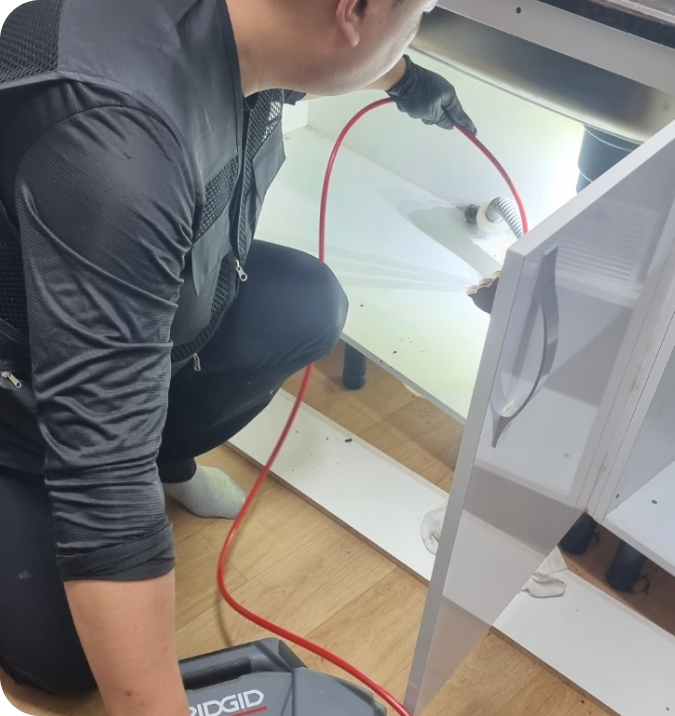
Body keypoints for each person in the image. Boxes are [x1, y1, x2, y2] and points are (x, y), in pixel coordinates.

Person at [0, 0, 475, 713]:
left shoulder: (245, 29)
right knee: (67, 657)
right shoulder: (117, 147)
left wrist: (402, 77)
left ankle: (162, 456)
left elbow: (316, 50)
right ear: (352, 10)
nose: (418, 27)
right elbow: (102, 480)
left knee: (307, 306)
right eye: (419, 13)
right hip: (19, 395)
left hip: (129, 328)